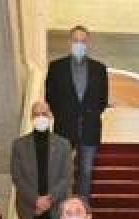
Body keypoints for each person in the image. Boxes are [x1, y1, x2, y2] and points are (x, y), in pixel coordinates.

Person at [45, 25, 108, 200]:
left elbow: (103, 100)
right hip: (64, 128)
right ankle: (62, 207)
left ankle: (82, 208)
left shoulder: (99, 69)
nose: (79, 44)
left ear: (88, 43)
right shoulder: (56, 67)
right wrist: (65, 114)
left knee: (86, 172)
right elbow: (50, 96)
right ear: (69, 42)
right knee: (61, 171)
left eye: (83, 40)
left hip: (90, 129)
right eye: (76, 40)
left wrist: (89, 114)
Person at [11, 100, 73, 219]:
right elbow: (17, 176)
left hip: (56, 208)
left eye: (44, 114)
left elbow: (67, 177)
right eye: (37, 114)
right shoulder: (19, 145)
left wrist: (49, 199)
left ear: (50, 116)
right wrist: (36, 200)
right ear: (32, 117)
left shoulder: (63, 144)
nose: (41, 117)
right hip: (31, 209)